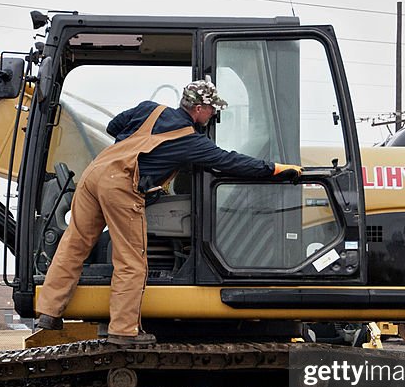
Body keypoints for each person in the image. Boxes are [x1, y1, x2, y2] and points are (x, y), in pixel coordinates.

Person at [35, 80, 302, 346]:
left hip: (94, 174)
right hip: (121, 185)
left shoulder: (149, 109)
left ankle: (48, 312)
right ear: (198, 109)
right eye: (212, 109)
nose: (213, 114)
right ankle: (124, 331)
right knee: (131, 261)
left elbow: (114, 125)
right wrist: (274, 169)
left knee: (74, 244)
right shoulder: (191, 141)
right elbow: (230, 161)